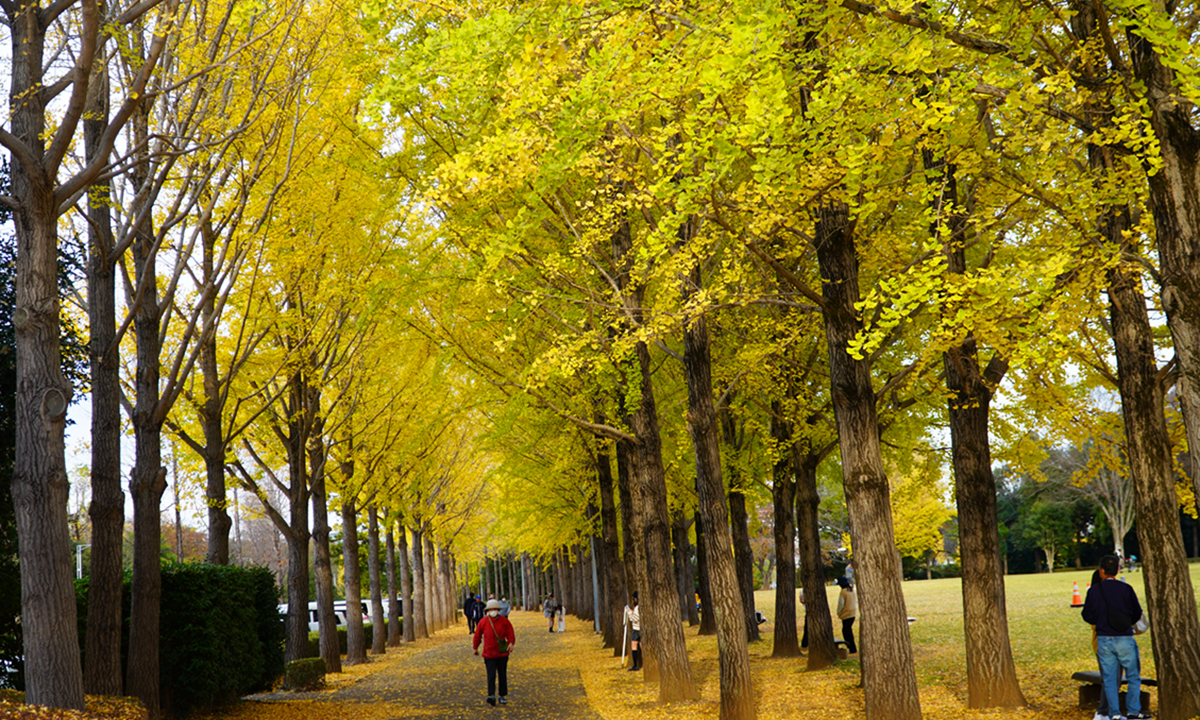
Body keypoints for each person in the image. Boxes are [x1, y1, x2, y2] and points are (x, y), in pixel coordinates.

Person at [1082, 555, 1151, 720]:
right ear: (1118, 570)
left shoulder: (1094, 591)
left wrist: (1100, 621)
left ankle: (1114, 714)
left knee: (1110, 678)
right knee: (1133, 675)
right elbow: (1136, 613)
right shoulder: (1126, 589)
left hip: (1104, 639)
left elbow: (1087, 615)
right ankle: (1133, 711)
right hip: (1124, 637)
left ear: (1101, 571)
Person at [473, 599, 516, 706]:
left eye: (495, 609)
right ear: (488, 610)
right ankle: (491, 695)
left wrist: (511, 643)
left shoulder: (504, 621)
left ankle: (502, 695)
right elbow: (477, 635)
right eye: (491, 609)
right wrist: (475, 648)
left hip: (502, 653)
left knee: (502, 674)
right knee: (491, 675)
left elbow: (510, 633)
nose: (493, 611)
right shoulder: (483, 622)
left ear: (498, 610)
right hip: (489, 653)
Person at [835, 577, 857, 655]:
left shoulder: (843, 592)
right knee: (848, 630)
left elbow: (841, 604)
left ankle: (851, 648)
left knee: (846, 632)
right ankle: (853, 648)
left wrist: (838, 612)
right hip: (853, 613)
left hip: (846, 614)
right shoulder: (852, 590)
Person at [625, 593, 641, 671]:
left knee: (634, 646)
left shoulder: (638, 607)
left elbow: (634, 619)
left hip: (637, 629)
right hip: (640, 629)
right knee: (641, 645)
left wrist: (629, 613)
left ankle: (635, 664)